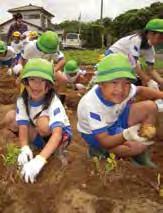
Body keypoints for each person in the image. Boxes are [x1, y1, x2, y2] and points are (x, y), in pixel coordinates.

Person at [77, 53, 163, 167]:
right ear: (101, 83)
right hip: (97, 134)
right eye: (114, 82)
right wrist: (126, 135)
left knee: (151, 107)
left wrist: (161, 95)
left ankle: (140, 152)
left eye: (126, 83)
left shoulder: (121, 91)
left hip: (116, 117)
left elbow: (141, 90)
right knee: (135, 147)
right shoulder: (92, 105)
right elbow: (105, 140)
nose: (121, 89)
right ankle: (99, 151)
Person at [4, 58, 72, 183]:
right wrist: (24, 147)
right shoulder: (22, 100)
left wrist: (40, 160)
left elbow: (57, 134)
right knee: (11, 117)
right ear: (25, 82)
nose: (36, 85)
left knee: (43, 123)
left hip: (60, 137)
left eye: (42, 81)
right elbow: (23, 126)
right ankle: (35, 146)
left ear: (49, 86)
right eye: (32, 80)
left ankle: (56, 151)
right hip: (38, 130)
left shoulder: (54, 103)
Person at [105, 18, 163, 90]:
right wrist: (149, 80)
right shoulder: (137, 40)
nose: (161, 41)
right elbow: (133, 64)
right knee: (121, 78)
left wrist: (160, 81)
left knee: (135, 76)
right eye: (160, 37)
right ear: (150, 33)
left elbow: (150, 69)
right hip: (113, 55)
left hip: (127, 59)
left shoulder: (150, 49)